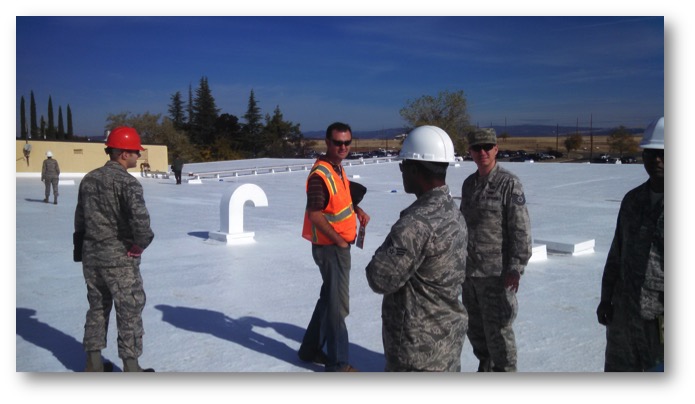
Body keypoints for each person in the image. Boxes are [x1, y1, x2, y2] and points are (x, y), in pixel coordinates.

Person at [365, 126, 468, 371]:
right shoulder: (453, 212)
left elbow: (379, 278)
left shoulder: (415, 224)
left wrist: (386, 250)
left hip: (417, 352)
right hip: (447, 340)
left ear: (414, 168)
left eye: (402, 166)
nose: (401, 172)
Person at [73, 126, 155, 372]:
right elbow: (141, 222)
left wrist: (80, 250)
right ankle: (131, 368)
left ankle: (93, 364)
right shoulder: (128, 183)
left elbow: (80, 218)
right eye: (135, 152)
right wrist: (140, 245)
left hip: (92, 257)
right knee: (129, 309)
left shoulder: (89, 179)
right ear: (122, 154)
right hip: (119, 258)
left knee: (97, 307)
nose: (138, 156)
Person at [298, 121, 370, 372]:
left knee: (328, 300)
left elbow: (341, 199)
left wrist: (357, 209)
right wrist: (339, 240)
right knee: (338, 307)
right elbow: (315, 214)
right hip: (331, 249)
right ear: (327, 143)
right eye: (337, 142)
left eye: (347, 142)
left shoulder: (336, 168)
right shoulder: (321, 175)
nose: (343, 147)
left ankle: (309, 349)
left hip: (337, 245)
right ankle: (339, 364)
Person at [459, 127, 532, 372]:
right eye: (476, 148)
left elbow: (520, 230)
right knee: (476, 331)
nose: (482, 152)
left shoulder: (508, 184)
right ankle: (486, 368)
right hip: (470, 275)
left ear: (496, 149)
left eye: (487, 147)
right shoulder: (469, 185)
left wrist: (516, 267)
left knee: (500, 332)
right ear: (469, 151)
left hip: (497, 276)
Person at [596, 117, 664, 372]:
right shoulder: (632, 200)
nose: (656, 160)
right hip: (624, 314)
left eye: (663, 153)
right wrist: (606, 299)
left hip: (663, 319)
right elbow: (617, 253)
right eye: (650, 153)